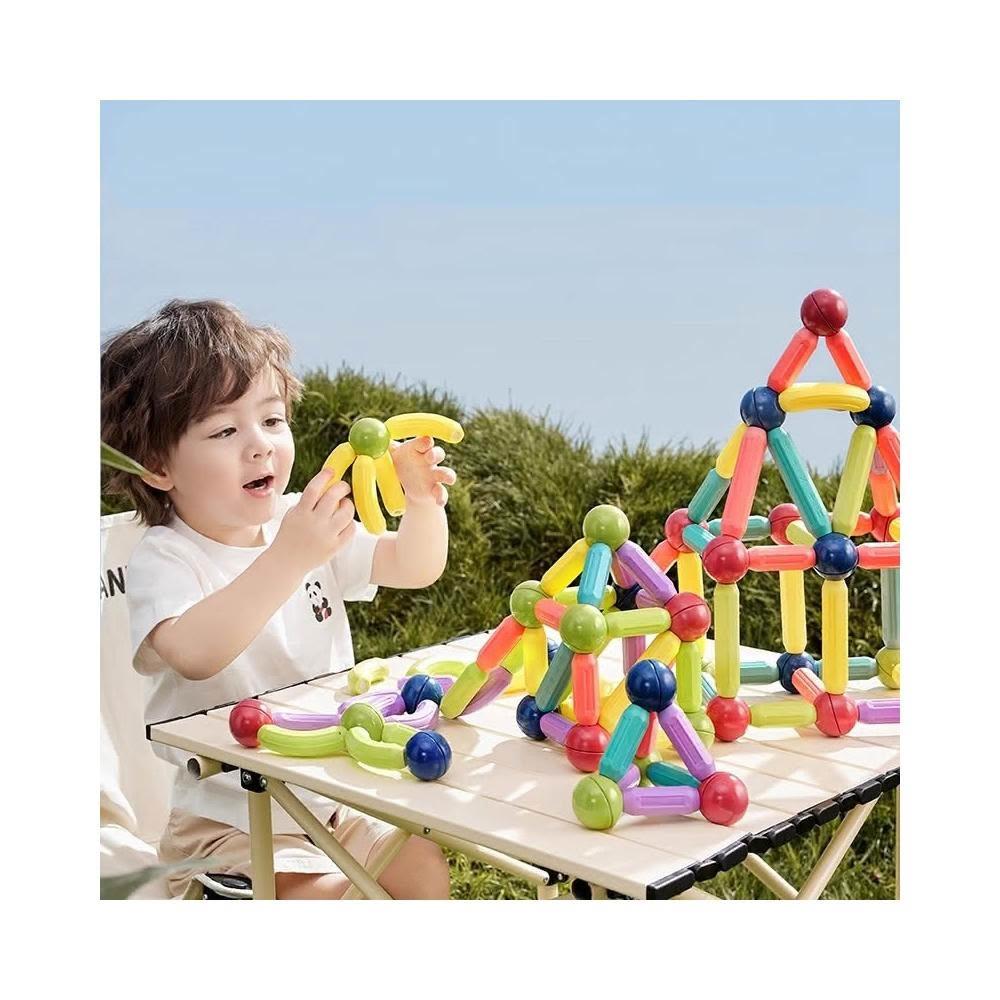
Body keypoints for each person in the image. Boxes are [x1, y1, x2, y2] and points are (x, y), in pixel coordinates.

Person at [101, 299, 455, 899]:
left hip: (330, 798)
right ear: (158, 467)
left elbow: (414, 567)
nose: (260, 446)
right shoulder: (166, 558)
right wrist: (290, 557)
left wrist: (422, 504)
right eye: (224, 431)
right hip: (229, 822)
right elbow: (194, 653)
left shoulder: (297, 522)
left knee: (421, 863)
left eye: (271, 420)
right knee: (329, 901)